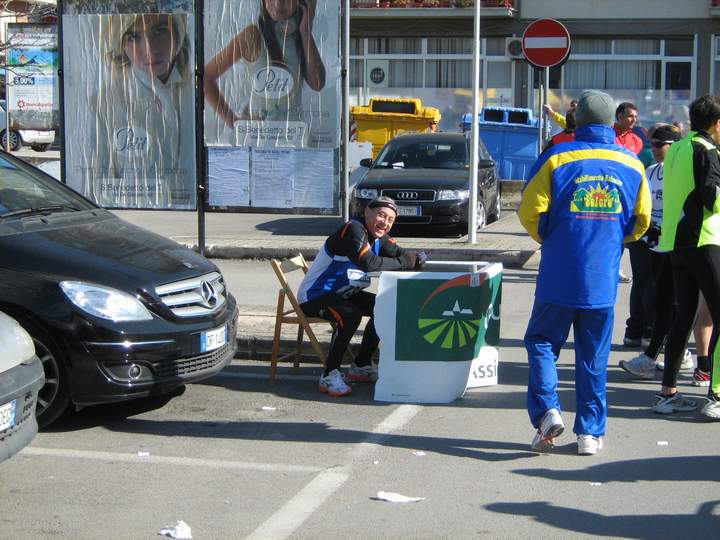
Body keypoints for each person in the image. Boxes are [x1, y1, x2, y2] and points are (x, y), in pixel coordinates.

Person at [519, 90, 650, 455]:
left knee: (542, 342)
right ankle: (590, 434)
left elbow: (530, 212)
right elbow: (640, 222)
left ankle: (547, 411)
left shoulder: (556, 158)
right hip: (602, 277)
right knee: (593, 357)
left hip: (559, 273)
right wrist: (612, 241)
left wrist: (555, 238)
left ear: (576, 121)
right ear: (613, 123)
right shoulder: (632, 164)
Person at [297, 196, 421, 397]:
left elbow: (400, 254)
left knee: (384, 307)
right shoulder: (353, 230)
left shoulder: (378, 236)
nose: (385, 222)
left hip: (343, 293)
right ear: (367, 212)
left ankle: (361, 365)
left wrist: (418, 258)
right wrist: (406, 261)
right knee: (350, 315)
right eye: (381, 215)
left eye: (390, 219)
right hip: (314, 296)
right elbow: (369, 263)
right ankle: (329, 375)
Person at [651, 94, 720, 420]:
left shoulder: (677, 147)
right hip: (705, 241)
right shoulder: (706, 150)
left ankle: (668, 393)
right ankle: (716, 395)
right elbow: (713, 198)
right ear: (717, 124)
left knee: (683, 316)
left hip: (676, 243)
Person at [87, 13, 195, 209]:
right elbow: (97, 174)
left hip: (189, 216)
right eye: (133, 37)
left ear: (178, 34)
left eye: (160, 31)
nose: (150, 48)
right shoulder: (107, 100)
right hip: (138, 215)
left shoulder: (197, 92)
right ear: (120, 44)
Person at [619, 124, 697, 377]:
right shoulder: (650, 172)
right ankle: (673, 354)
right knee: (660, 302)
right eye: (651, 143)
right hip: (654, 245)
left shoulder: (682, 171)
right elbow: (642, 204)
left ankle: (670, 356)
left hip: (677, 246)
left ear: (673, 147)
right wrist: (645, 229)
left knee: (673, 304)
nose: (652, 148)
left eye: (657, 144)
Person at [204, 0, 326, 128]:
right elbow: (206, 77)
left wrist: (305, 33)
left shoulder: (300, 35)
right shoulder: (252, 35)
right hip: (258, 140)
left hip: (293, 138)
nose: (278, 4)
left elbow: (318, 84)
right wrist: (233, 122)